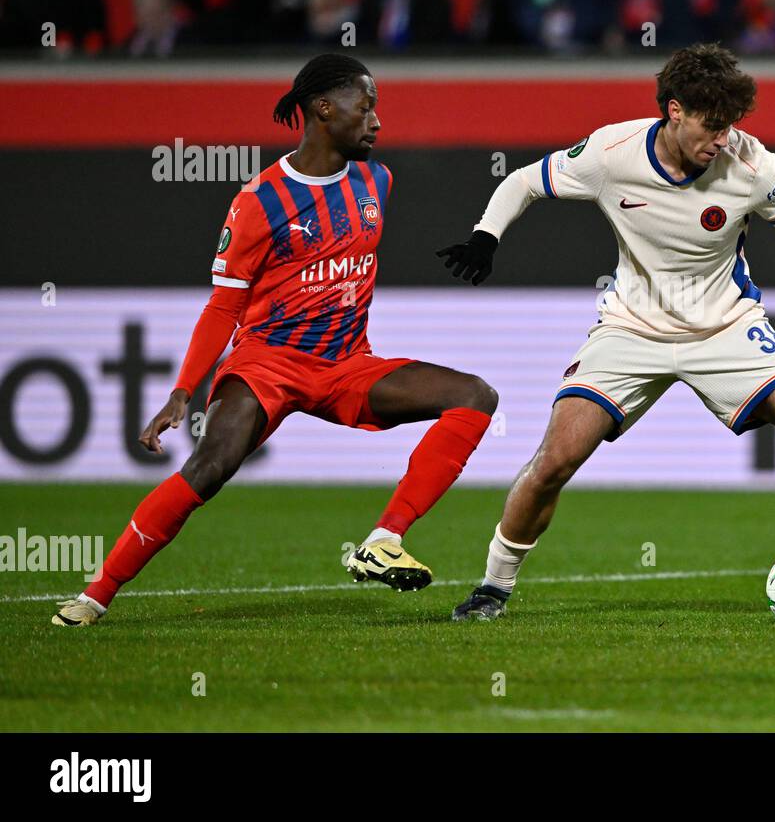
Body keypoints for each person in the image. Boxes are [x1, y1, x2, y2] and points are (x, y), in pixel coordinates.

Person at [437, 43, 775, 621]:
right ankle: (493, 588)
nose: (723, 140)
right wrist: (487, 236)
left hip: (726, 326)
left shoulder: (752, 166)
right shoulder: (611, 154)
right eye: (712, 126)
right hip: (631, 328)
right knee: (554, 460)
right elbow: (524, 183)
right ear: (675, 111)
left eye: (731, 126)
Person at [51, 55, 498, 627]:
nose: (377, 122)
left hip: (346, 364)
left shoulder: (377, 181)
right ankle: (95, 596)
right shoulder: (258, 202)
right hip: (267, 363)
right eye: (366, 108)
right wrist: (184, 391)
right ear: (323, 110)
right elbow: (224, 305)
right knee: (209, 468)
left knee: (475, 396)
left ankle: (384, 539)